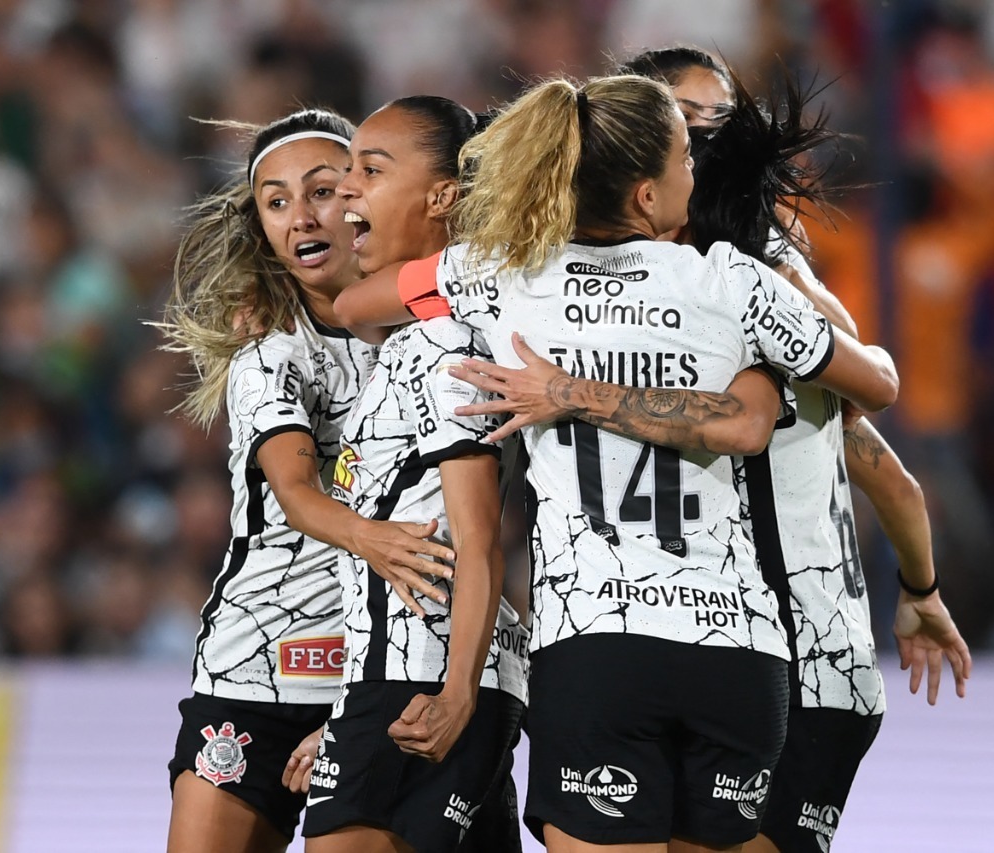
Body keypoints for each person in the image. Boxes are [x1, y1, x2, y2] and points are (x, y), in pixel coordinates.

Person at [335, 73, 899, 852]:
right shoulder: (732, 280)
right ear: (644, 195)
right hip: (737, 648)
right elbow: (879, 380)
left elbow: (353, 308)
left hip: (597, 643)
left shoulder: (503, 276)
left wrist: (553, 371)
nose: (695, 176)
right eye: (683, 161)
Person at [464, 47, 970, 853]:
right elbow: (883, 462)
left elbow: (858, 412)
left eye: (717, 119)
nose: (704, 140)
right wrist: (921, 586)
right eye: (683, 121)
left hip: (788, 656)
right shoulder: (726, 285)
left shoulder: (745, 278)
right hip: (750, 657)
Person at [156, 108, 458, 853]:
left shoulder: (437, 331)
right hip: (256, 667)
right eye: (276, 201)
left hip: (383, 669)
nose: (301, 217)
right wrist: (378, 542)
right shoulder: (271, 350)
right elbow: (295, 492)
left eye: (322, 190)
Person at [292, 95, 528, 853]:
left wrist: (456, 687)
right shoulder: (411, 339)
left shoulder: (440, 343)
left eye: (371, 168)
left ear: (443, 196)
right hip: (410, 673)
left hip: (426, 681)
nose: (346, 186)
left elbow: (478, 531)